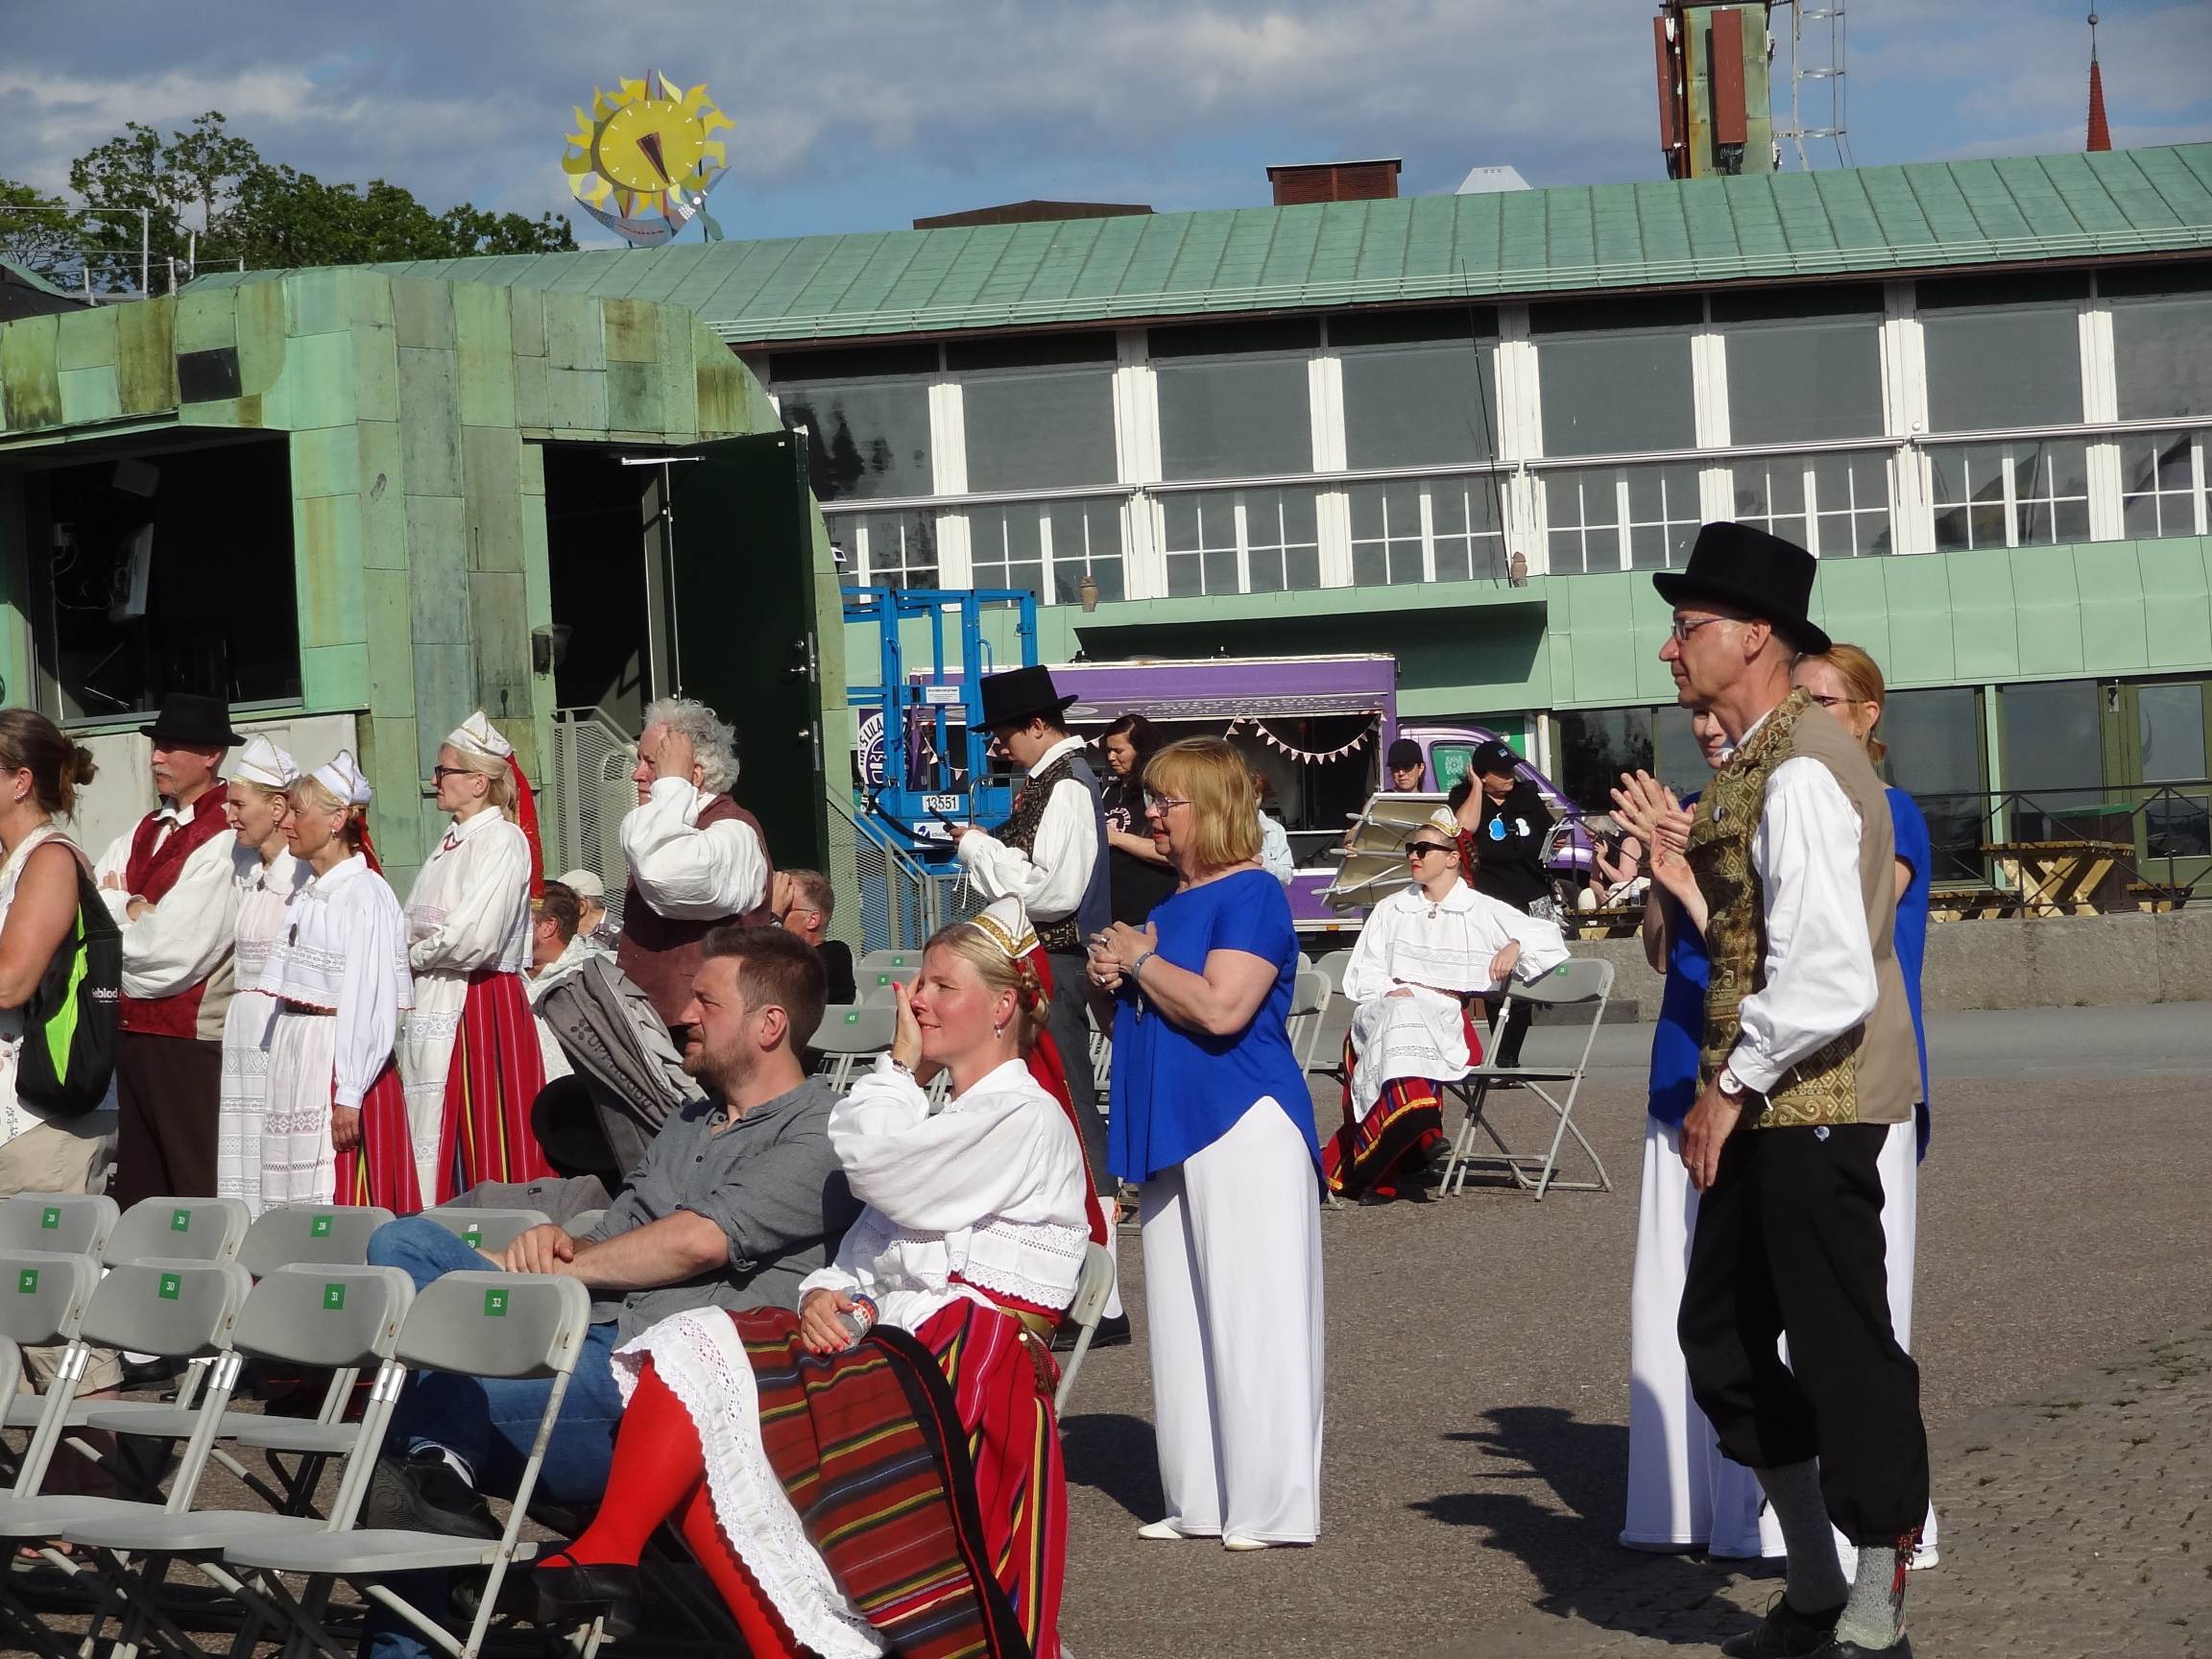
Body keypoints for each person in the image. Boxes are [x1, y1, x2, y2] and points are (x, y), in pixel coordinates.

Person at [527, 902, 1091, 1658]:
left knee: (712, 1359)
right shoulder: (941, 1118)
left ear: (1000, 1009)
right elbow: (866, 1251)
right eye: (920, 982)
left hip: (973, 1369)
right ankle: (626, 1558)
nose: (917, 1000)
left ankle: (612, 1552)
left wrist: (897, 1071)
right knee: (707, 1400)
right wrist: (826, 1293)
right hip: (903, 1349)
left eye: (941, 986)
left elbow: (880, 1171)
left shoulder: (1024, 1116)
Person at [360, 926, 858, 1659]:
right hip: (579, 1337)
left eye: (706, 1002)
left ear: (769, 1024)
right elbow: (612, 1241)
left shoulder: (826, 1131)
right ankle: (443, 1484)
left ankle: (431, 1526)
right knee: (402, 1245)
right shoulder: (691, 1121)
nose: (682, 1015)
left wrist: (566, 1269)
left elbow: (698, 1241)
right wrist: (537, 1253)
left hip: (660, 1386)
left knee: (411, 1411)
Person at [1657, 522, 1929, 1659]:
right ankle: (1815, 1578)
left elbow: (1827, 976)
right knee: (1718, 1337)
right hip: (1768, 1097)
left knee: (1840, 1341)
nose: (1671, 648)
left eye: (1688, 626)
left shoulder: (1807, 767)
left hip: (1817, 1098)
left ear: (1755, 634)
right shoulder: (1759, 756)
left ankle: (1874, 1592)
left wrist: (1728, 1084)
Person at [1090, 736, 1323, 1551]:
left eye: (1168, 801)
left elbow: (1223, 1009)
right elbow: (1147, 1018)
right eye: (1150, 799)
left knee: (1255, 1312)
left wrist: (1140, 962)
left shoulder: (1252, 894)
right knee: (1183, 1319)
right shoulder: (1168, 906)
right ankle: (1201, 1500)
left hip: (1242, 1117)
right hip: (1173, 1123)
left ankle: (1271, 1505)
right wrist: (1115, 980)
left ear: (1214, 808)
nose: (1152, 814)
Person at [1324, 805, 1568, 1206]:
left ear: (1453, 858)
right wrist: (1389, 991)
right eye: (1412, 849)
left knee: (1409, 1020)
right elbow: (1363, 973)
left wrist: (1516, 944)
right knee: (1401, 1013)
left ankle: (1391, 1161)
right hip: (1386, 1009)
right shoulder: (1391, 908)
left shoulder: (1481, 908)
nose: (1414, 856)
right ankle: (1422, 1130)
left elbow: (1549, 937)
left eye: (1424, 849)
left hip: (1443, 1020)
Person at [956, 664, 1114, 1219]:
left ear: (1038, 725)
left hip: (1059, 957)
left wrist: (980, 850)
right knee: (1046, 1081)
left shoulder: (1066, 784)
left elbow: (1052, 892)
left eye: (1006, 736)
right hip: (1044, 956)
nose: (1001, 748)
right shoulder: (1052, 781)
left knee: (1066, 1082)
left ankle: (1098, 1201)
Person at [0, 711, 122, 1401]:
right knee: (15, 1322)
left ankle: (109, 1463)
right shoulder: (9, 862)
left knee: (57, 1326)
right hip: (14, 1119)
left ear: (21, 781)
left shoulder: (49, 859)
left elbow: (12, 980)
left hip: (43, 1120)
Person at [94, 692, 247, 1209]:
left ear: (211, 755)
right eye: (156, 745)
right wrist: (131, 909)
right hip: (129, 1033)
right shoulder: (144, 829)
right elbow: (90, 906)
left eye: (170, 746)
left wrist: (117, 908)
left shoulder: (225, 837)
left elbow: (172, 954)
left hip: (189, 1040)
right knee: (141, 1188)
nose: (156, 756)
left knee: (195, 1181)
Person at [397, 711, 550, 1202]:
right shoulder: (449, 842)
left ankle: (487, 1219)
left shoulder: (501, 839)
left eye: (444, 771)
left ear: (479, 782)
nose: (435, 781)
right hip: (437, 994)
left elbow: (474, 938)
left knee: (479, 1121)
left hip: (477, 1002)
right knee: (432, 1117)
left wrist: (413, 955)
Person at [256, 752, 417, 1211]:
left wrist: (350, 1091)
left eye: (298, 812)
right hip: (300, 1049)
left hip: (336, 1057)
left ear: (336, 820)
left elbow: (370, 999)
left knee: (340, 1188)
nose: (286, 823)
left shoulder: (364, 894)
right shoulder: (309, 890)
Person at [527, 882, 702, 1188]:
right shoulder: (503, 983)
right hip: (531, 1122)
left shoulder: (597, 974)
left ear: (547, 927)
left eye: (519, 921)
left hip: (594, 1121)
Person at [617, 697, 776, 1034]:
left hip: (703, 1031)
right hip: (654, 1024)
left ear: (696, 774)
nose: (637, 774)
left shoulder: (734, 831)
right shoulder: (665, 827)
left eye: (652, 763)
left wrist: (672, 785)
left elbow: (666, 874)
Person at [213, 736, 308, 1216]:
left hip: (280, 1025)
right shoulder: (248, 870)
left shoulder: (302, 875)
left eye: (238, 804)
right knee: (244, 1142)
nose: (229, 815)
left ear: (276, 809)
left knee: (277, 1139)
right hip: (244, 1024)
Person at [1450, 741, 1556, 1069]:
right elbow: (1463, 829)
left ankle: (1509, 1057)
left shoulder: (1526, 796)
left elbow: (1547, 831)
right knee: (1495, 979)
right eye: (1500, 771)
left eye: (1511, 768)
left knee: (1523, 978)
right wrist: (1476, 788)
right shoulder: (1464, 797)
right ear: (1482, 774)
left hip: (1529, 895)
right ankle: (1499, 1054)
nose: (1509, 775)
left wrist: (1555, 841)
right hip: (1490, 900)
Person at [1100, 712, 1176, 927]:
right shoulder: (1110, 791)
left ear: (1140, 750)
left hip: (1149, 916)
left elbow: (1173, 852)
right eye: (1108, 750)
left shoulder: (1157, 791)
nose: (1111, 757)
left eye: (1118, 751)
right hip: (1115, 917)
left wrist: (1116, 838)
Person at [771, 867, 855, 1004]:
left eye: (784, 907)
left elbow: (775, 982)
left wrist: (774, 917)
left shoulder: (835, 954)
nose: (773, 912)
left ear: (812, 920)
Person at [556, 868, 620, 952]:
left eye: (560, 905)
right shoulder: (559, 934)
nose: (554, 912)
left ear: (581, 906)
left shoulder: (622, 939)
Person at [1254, 771, 1296, 886]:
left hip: (1266, 894)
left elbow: (1287, 877)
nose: (1250, 803)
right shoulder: (1220, 830)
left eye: (1255, 797)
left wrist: (1263, 863)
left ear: (1263, 796)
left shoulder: (1275, 830)